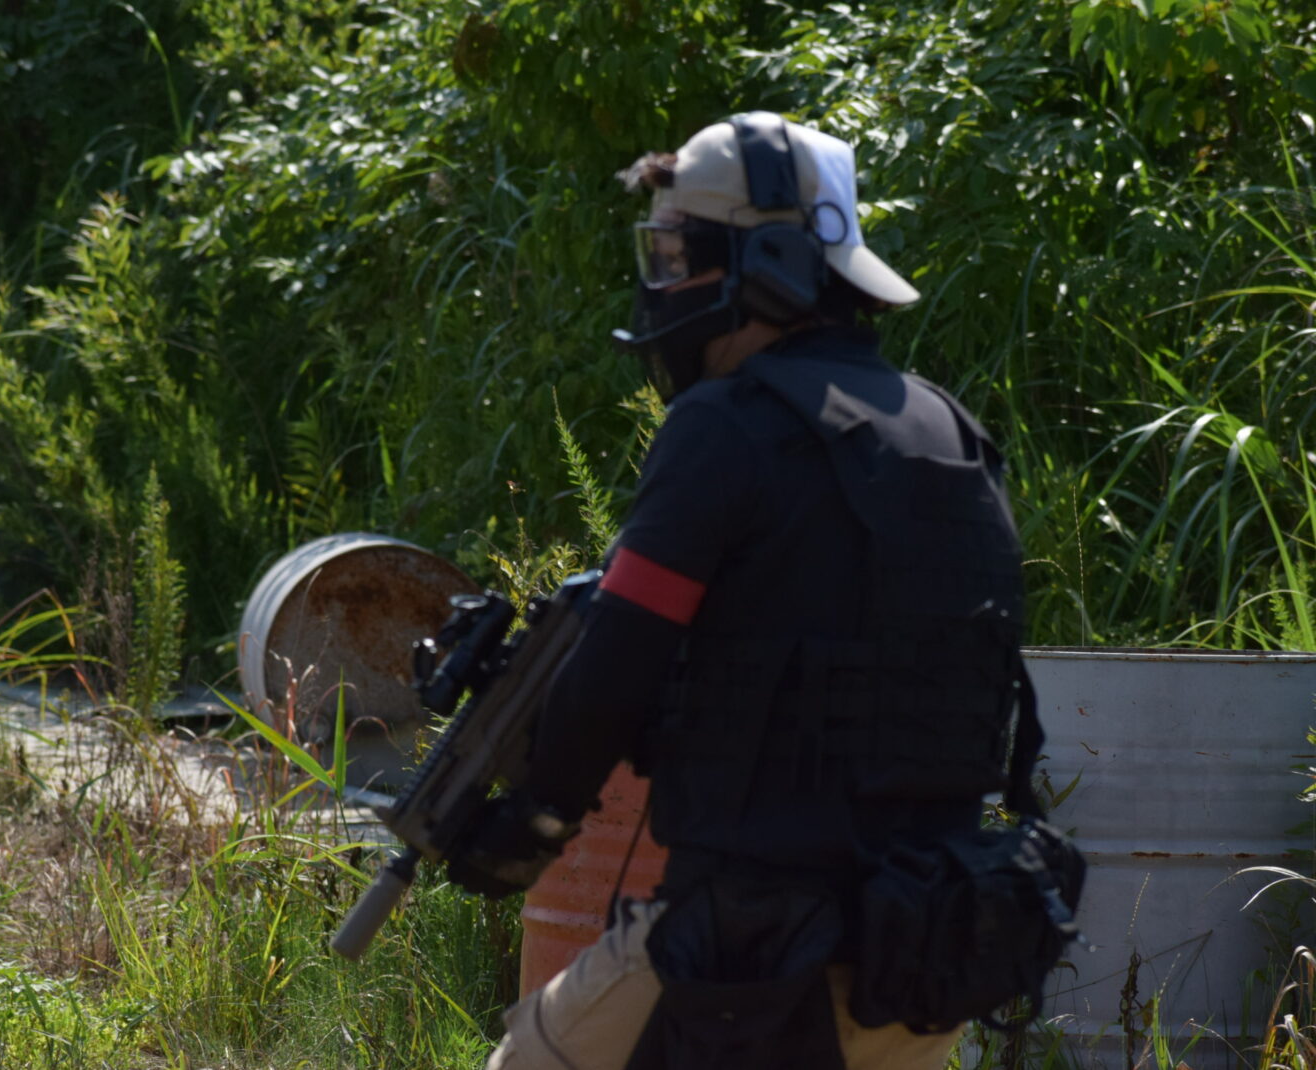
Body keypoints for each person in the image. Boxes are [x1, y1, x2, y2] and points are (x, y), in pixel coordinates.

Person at [444, 112, 1048, 1070]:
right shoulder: (954, 434)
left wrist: (532, 820)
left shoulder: (725, 427)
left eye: (680, 255)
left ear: (767, 265)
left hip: (747, 951)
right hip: (923, 951)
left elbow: (616, 665)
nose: (664, 283)